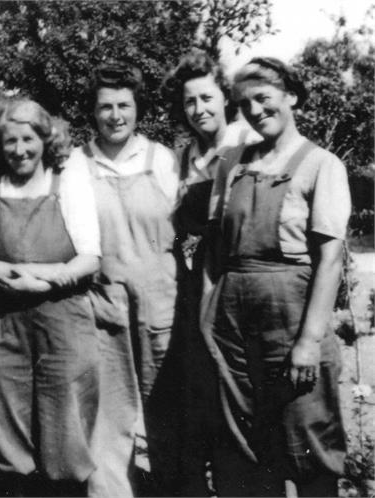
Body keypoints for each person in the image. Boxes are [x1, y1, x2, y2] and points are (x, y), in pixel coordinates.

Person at [202, 57, 349, 496]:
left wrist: (308, 341)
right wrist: (207, 316)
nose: (255, 111)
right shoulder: (230, 164)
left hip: (293, 317)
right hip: (232, 322)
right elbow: (214, 249)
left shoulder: (321, 165)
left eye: (264, 99)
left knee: (307, 438)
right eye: (245, 104)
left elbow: (329, 261)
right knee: (243, 445)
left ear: (292, 97)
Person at [0, 99, 102, 497]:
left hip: (63, 319)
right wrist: (18, 278)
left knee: (65, 426)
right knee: (11, 427)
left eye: (28, 139)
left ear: (45, 140)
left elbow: (89, 257)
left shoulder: (68, 185)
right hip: (4, 323)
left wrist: (43, 281)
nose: (19, 150)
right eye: (10, 141)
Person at [65, 60, 179, 495]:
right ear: (92, 112)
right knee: (109, 413)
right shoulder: (77, 164)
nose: (115, 115)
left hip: (160, 299)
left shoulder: (161, 160)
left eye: (124, 106)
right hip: (103, 299)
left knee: (165, 407)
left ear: (137, 109)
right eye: (106, 106)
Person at [161, 50, 260, 495]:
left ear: (225, 96)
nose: (199, 109)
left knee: (235, 404)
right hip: (191, 291)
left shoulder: (249, 144)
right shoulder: (183, 159)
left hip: (232, 287)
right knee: (195, 404)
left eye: (206, 97)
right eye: (189, 103)